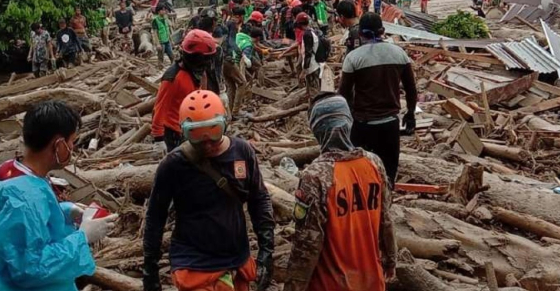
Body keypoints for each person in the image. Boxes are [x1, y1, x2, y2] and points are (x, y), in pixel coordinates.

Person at [0, 101, 118, 291]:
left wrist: (65, 211)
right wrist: (83, 236)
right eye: (72, 142)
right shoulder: (26, 197)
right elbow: (32, 268)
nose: (73, 148)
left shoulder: (0, 175)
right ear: (59, 145)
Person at [143, 90, 275, 291]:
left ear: (224, 124)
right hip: (193, 263)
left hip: (236, 258)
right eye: (196, 136)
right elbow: (155, 216)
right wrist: (150, 268)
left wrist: (266, 249)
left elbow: (259, 198)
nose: (207, 144)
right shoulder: (173, 165)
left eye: (213, 133)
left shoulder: (242, 152)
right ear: (184, 132)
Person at [284, 93, 397, 291]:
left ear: (317, 130)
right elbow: (386, 220)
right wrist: (390, 260)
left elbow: (307, 243)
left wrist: (293, 287)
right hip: (371, 279)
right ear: (348, 122)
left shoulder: (316, 176)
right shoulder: (373, 163)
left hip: (329, 284)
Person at [338, 13, 417, 186]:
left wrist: (347, 118)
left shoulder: (353, 58)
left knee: (361, 175)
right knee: (388, 174)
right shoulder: (399, 53)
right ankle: (385, 208)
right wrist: (410, 113)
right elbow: (411, 89)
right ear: (382, 31)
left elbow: (343, 93)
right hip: (389, 124)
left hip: (362, 125)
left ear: (360, 33)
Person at [151, 30, 219, 151]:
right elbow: (160, 108)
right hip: (173, 132)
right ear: (196, 58)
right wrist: (158, 138)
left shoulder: (198, 73)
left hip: (189, 125)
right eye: (205, 59)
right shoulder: (173, 78)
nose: (207, 63)